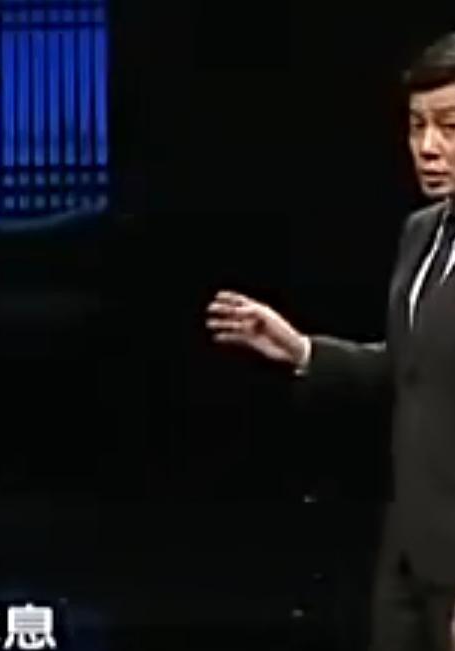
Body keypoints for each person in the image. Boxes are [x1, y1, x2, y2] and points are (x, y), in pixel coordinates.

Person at [206, 32, 455, 651]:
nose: (428, 147)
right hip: (409, 556)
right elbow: (414, 371)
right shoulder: (421, 234)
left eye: (450, 127)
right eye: (417, 126)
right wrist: (303, 351)